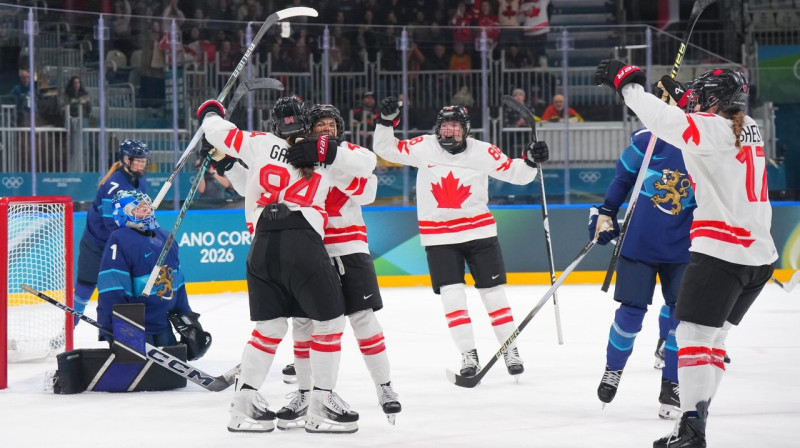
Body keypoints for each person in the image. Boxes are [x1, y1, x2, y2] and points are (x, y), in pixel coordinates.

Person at [594, 61, 778, 447]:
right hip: (759, 257)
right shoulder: (749, 126)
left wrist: (627, 84)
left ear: (713, 99)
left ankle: (693, 428)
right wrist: (684, 96)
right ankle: (694, 421)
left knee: (693, 337)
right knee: (712, 343)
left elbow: (664, 122)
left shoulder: (709, 129)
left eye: (701, 94)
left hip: (722, 254)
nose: (694, 98)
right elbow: (705, 124)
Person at [197, 95, 375, 434]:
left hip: (261, 247)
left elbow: (218, 132)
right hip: (302, 244)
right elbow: (367, 163)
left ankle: (244, 405)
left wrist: (211, 112)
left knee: (270, 328)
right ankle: (321, 402)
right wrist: (327, 150)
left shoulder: (259, 144)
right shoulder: (322, 156)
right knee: (329, 323)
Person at [372, 97, 549, 379]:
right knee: (453, 298)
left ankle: (510, 349)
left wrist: (530, 160)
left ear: (465, 130)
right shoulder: (423, 147)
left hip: (479, 233)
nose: (449, 131)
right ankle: (468, 355)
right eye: (444, 125)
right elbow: (385, 148)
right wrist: (384, 122)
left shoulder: (483, 152)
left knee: (493, 296)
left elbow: (518, 175)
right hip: (439, 237)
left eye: (455, 126)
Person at [276, 103, 401, 429]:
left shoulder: (349, 152)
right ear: (310, 129)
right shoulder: (298, 158)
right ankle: (306, 394)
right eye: (320, 125)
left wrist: (327, 159)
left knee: (363, 319)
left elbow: (369, 186)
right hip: (309, 251)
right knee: (303, 325)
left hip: (350, 250)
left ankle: (384, 386)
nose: (327, 129)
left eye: (332, 124)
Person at [589, 104, 697, 419]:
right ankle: (614, 369)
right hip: (639, 246)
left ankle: (672, 383)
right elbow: (622, 180)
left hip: (683, 249)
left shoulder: (705, 145)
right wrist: (605, 212)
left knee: (683, 319)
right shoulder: (646, 140)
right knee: (630, 314)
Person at [96, 190, 211, 360]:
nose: (147, 210)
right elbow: (112, 287)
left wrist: (188, 318)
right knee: (138, 375)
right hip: (134, 326)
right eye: (140, 208)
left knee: (170, 379)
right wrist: (113, 326)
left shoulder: (166, 237)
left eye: (147, 206)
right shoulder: (119, 239)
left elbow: (177, 283)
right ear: (124, 214)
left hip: (162, 324)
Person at [74, 140, 150, 327]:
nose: (140, 165)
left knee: (128, 288)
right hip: (96, 245)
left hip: (121, 242)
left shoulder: (141, 183)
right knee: (86, 286)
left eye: (143, 161)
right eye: (136, 161)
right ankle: (68, 329)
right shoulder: (113, 186)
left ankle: (130, 330)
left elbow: (141, 216)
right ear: (125, 159)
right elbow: (112, 225)